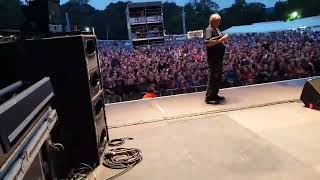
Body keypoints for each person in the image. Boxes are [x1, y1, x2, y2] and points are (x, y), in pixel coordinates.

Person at [204, 14, 229, 104]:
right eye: (218, 21)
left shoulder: (217, 29)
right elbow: (207, 42)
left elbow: (221, 37)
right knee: (213, 77)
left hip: (218, 58)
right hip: (213, 58)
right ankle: (209, 97)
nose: (219, 23)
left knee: (217, 77)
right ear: (213, 21)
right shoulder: (209, 30)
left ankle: (215, 94)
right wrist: (220, 40)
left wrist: (224, 37)